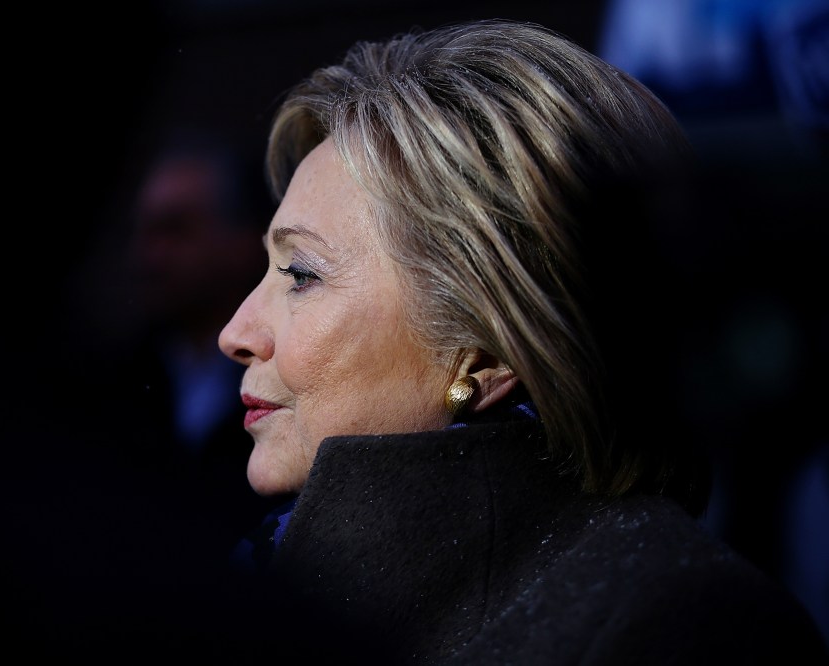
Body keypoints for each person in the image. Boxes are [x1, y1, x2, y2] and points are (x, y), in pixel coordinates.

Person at [215, 19, 829, 664]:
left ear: (489, 352)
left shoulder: (671, 626)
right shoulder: (249, 589)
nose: (237, 332)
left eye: (301, 275)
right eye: (266, 270)